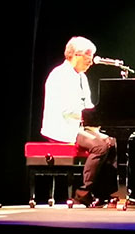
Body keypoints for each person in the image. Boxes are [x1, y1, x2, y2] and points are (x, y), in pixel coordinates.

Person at [40, 36, 118, 207]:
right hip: (62, 127)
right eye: (88, 58)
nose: (91, 62)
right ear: (76, 55)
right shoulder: (59, 75)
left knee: (112, 142)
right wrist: (89, 117)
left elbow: (87, 104)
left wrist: (97, 119)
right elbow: (66, 110)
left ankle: (105, 193)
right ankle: (83, 192)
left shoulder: (81, 76)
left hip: (79, 125)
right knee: (100, 146)